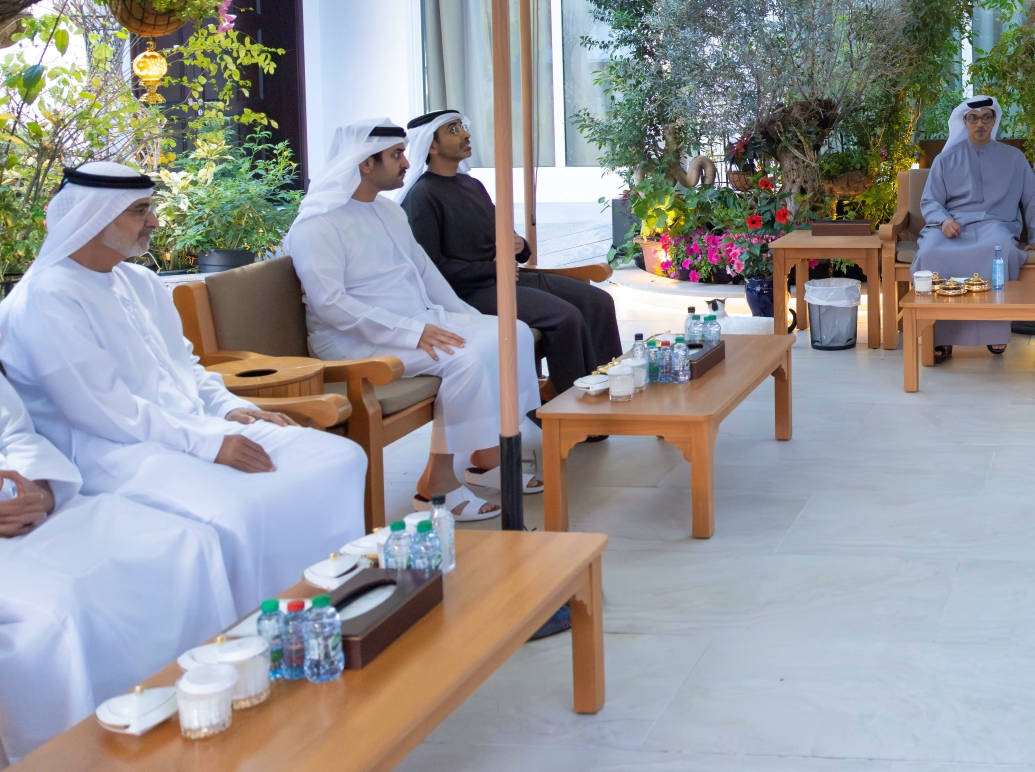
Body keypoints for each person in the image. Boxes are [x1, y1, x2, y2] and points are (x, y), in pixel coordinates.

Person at [0, 163, 365, 614]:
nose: (154, 222)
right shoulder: (45, 298)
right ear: (93, 217)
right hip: (116, 454)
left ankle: (335, 604)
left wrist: (228, 407)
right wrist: (210, 444)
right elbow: (104, 411)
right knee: (238, 510)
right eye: (140, 211)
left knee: (338, 458)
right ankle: (263, 627)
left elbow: (184, 365)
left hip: (198, 427)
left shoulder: (139, 281)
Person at [283, 120, 540, 522]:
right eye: (396, 155)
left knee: (512, 333)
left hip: (414, 322)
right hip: (353, 340)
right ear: (365, 163)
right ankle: (437, 482)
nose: (406, 162)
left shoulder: (387, 210)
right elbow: (331, 304)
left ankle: (489, 454)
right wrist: (414, 332)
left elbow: (424, 272)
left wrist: (469, 319)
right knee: (464, 358)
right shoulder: (319, 223)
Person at [0, 368, 235, 761]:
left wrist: (40, 491)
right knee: (63, 610)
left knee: (184, 542)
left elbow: (17, 434)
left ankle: (213, 706)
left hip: (35, 511)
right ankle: (87, 758)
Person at [399, 109, 621, 397]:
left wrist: (519, 245)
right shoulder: (422, 196)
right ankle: (574, 407)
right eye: (453, 130)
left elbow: (505, 238)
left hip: (507, 278)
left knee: (598, 301)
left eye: (462, 126)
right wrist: (493, 268)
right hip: (468, 293)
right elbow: (432, 270)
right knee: (564, 317)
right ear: (431, 145)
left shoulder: (472, 185)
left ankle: (613, 390)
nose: (466, 134)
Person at [911, 97, 1035, 361]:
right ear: (964, 121)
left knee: (1000, 249)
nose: (980, 124)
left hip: (994, 225)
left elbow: (1031, 198)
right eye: (973, 118)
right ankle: (939, 336)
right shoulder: (946, 158)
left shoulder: (1014, 158)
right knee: (929, 252)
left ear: (994, 121)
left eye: (986, 117)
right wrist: (944, 220)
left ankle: (993, 331)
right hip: (952, 226)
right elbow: (930, 200)